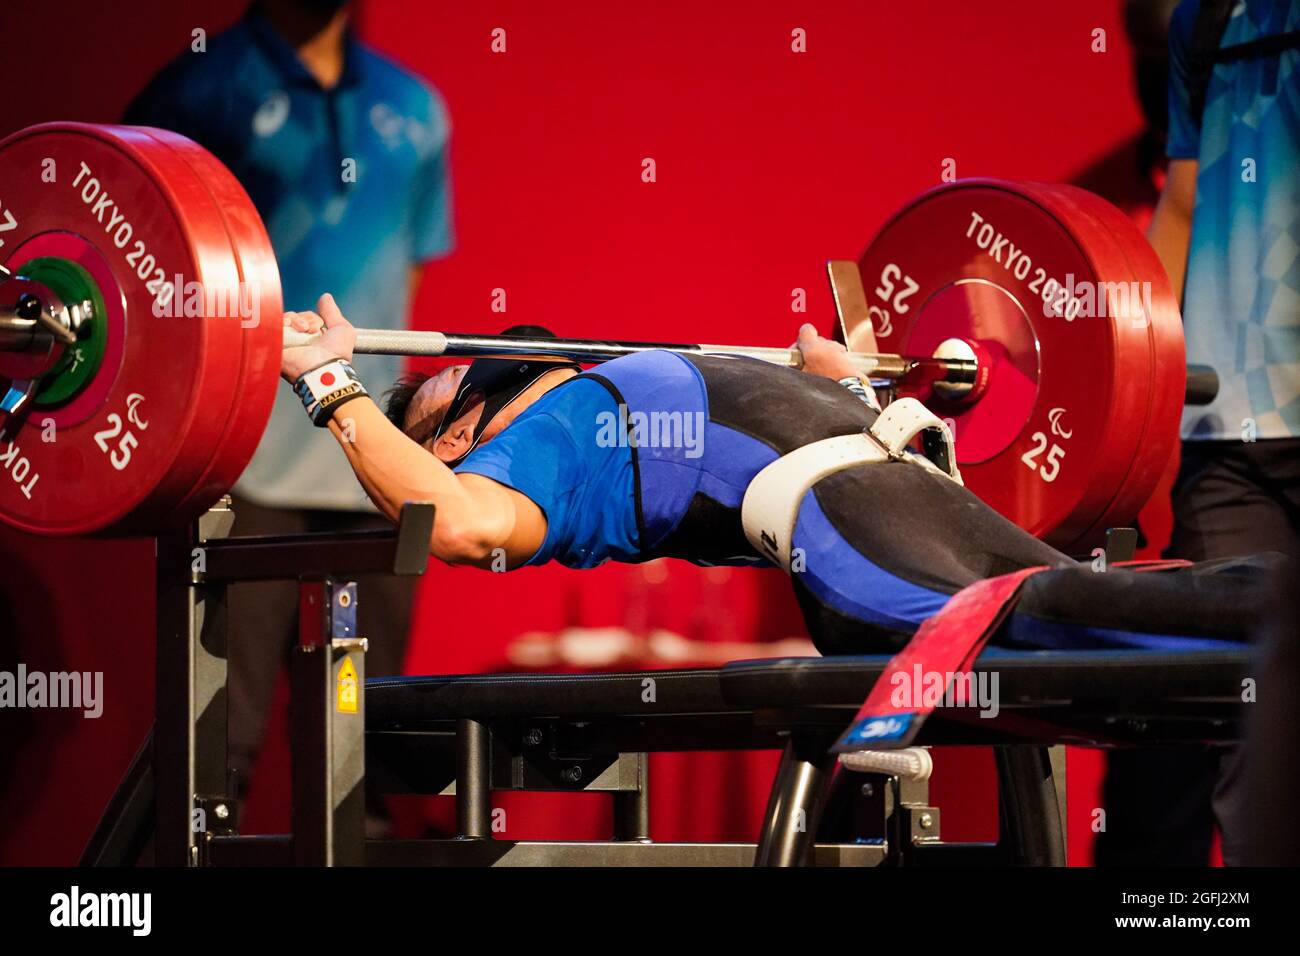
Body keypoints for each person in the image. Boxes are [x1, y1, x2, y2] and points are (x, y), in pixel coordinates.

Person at [276, 298, 1280, 657]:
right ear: (447, 440)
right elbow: (452, 524)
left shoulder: (591, 386)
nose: (445, 375)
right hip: (859, 554)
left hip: (899, 485)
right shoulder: (534, 449)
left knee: (1112, 603)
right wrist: (333, 385)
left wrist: (833, 383)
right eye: (428, 397)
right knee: (1063, 619)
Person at [124, 0, 453, 813]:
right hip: (242, 463)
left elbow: (404, 279)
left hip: (375, 464)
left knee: (370, 750)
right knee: (215, 750)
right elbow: (141, 260)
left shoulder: (415, 107)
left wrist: (389, 424)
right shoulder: (197, 89)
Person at [1097, 0, 1299, 867]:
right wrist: (1134, 380)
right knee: (1240, 708)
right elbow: (1182, 202)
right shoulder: (1203, 21)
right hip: (1226, 431)